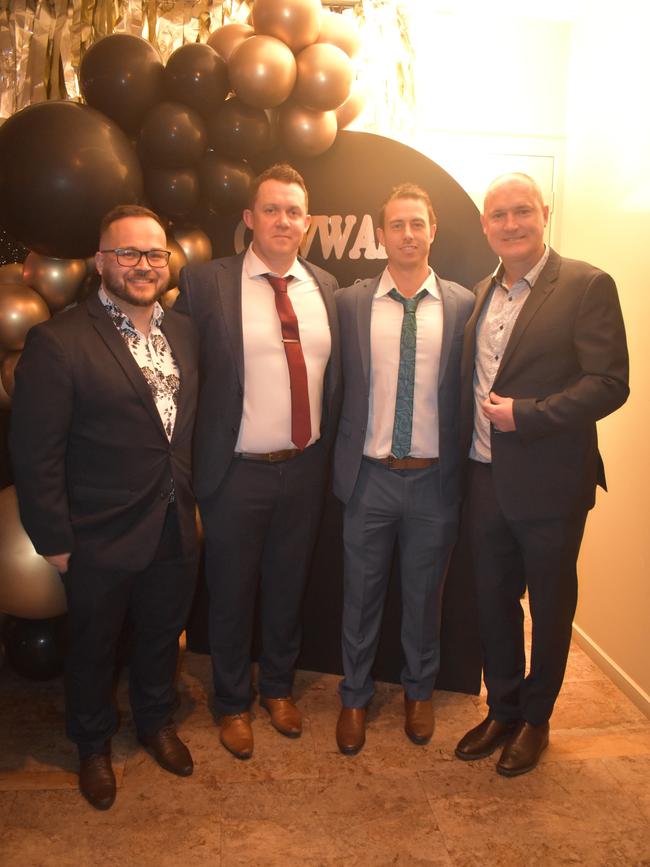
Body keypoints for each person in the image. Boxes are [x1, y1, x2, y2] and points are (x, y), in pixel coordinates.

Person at [10, 205, 199, 810]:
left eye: (154, 254)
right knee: (92, 646)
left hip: (172, 523)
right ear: (100, 262)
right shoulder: (59, 341)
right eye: (128, 253)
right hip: (96, 534)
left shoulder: (185, 333)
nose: (143, 265)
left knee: (162, 636)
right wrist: (55, 541)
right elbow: (35, 453)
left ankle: (154, 722)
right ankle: (92, 745)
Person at [455, 173, 629, 776]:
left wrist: (525, 417)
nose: (510, 224)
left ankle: (536, 720)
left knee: (551, 607)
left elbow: (610, 383)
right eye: (498, 214)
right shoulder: (483, 291)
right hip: (483, 477)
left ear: (544, 213)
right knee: (493, 601)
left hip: (552, 483)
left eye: (521, 211)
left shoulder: (586, 285)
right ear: (484, 225)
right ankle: (501, 708)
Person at [176, 163, 341, 760]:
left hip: (304, 469)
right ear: (249, 219)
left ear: (309, 222)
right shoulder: (205, 284)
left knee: (287, 587)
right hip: (235, 471)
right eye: (271, 209)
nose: (283, 221)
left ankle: (276, 689)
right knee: (230, 592)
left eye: (294, 211)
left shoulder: (325, 286)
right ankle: (229, 703)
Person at [332, 183, 474, 755]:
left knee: (424, 597)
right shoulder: (351, 302)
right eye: (397, 225)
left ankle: (420, 692)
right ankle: (354, 697)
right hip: (369, 478)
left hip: (435, 480)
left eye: (418, 224)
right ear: (381, 233)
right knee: (358, 597)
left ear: (432, 230)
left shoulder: (465, 303)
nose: (408, 235)